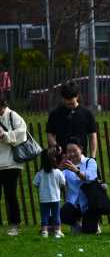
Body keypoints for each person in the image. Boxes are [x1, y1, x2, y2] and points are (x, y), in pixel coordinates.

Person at [46, 82, 98, 159]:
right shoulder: (55, 114)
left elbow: (92, 136)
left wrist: (92, 157)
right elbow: (50, 134)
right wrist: (55, 145)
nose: (69, 105)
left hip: (81, 158)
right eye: (66, 102)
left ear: (77, 96)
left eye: (71, 103)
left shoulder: (87, 114)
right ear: (62, 98)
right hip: (62, 158)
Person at [0, 96, 29, 235]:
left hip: (11, 163)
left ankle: (14, 225)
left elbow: (22, 134)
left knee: (10, 195)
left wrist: (5, 135)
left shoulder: (13, 116)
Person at [60, 141, 101, 234]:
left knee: (90, 231)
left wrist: (76, 171)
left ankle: (94, 224)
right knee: (62, 213)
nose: (72, 154)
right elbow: (59, 181)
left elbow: (89, 178)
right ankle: (75, 224)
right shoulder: (67, 166)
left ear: (81, 149)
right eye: (69, 151)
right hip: (73, 202)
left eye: (74, 150)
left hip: (89, 203)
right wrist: (60, 168)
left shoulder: (90, 162)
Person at [33, 150, 66, 238]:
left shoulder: (39, 173)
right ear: (54, 159)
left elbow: (35, 184)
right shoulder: (58, 172)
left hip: (43, 199)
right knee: (56, 215)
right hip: (55, 198)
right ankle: (57, 231)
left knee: (44, 215)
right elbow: (63, 183)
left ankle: (44, 232)